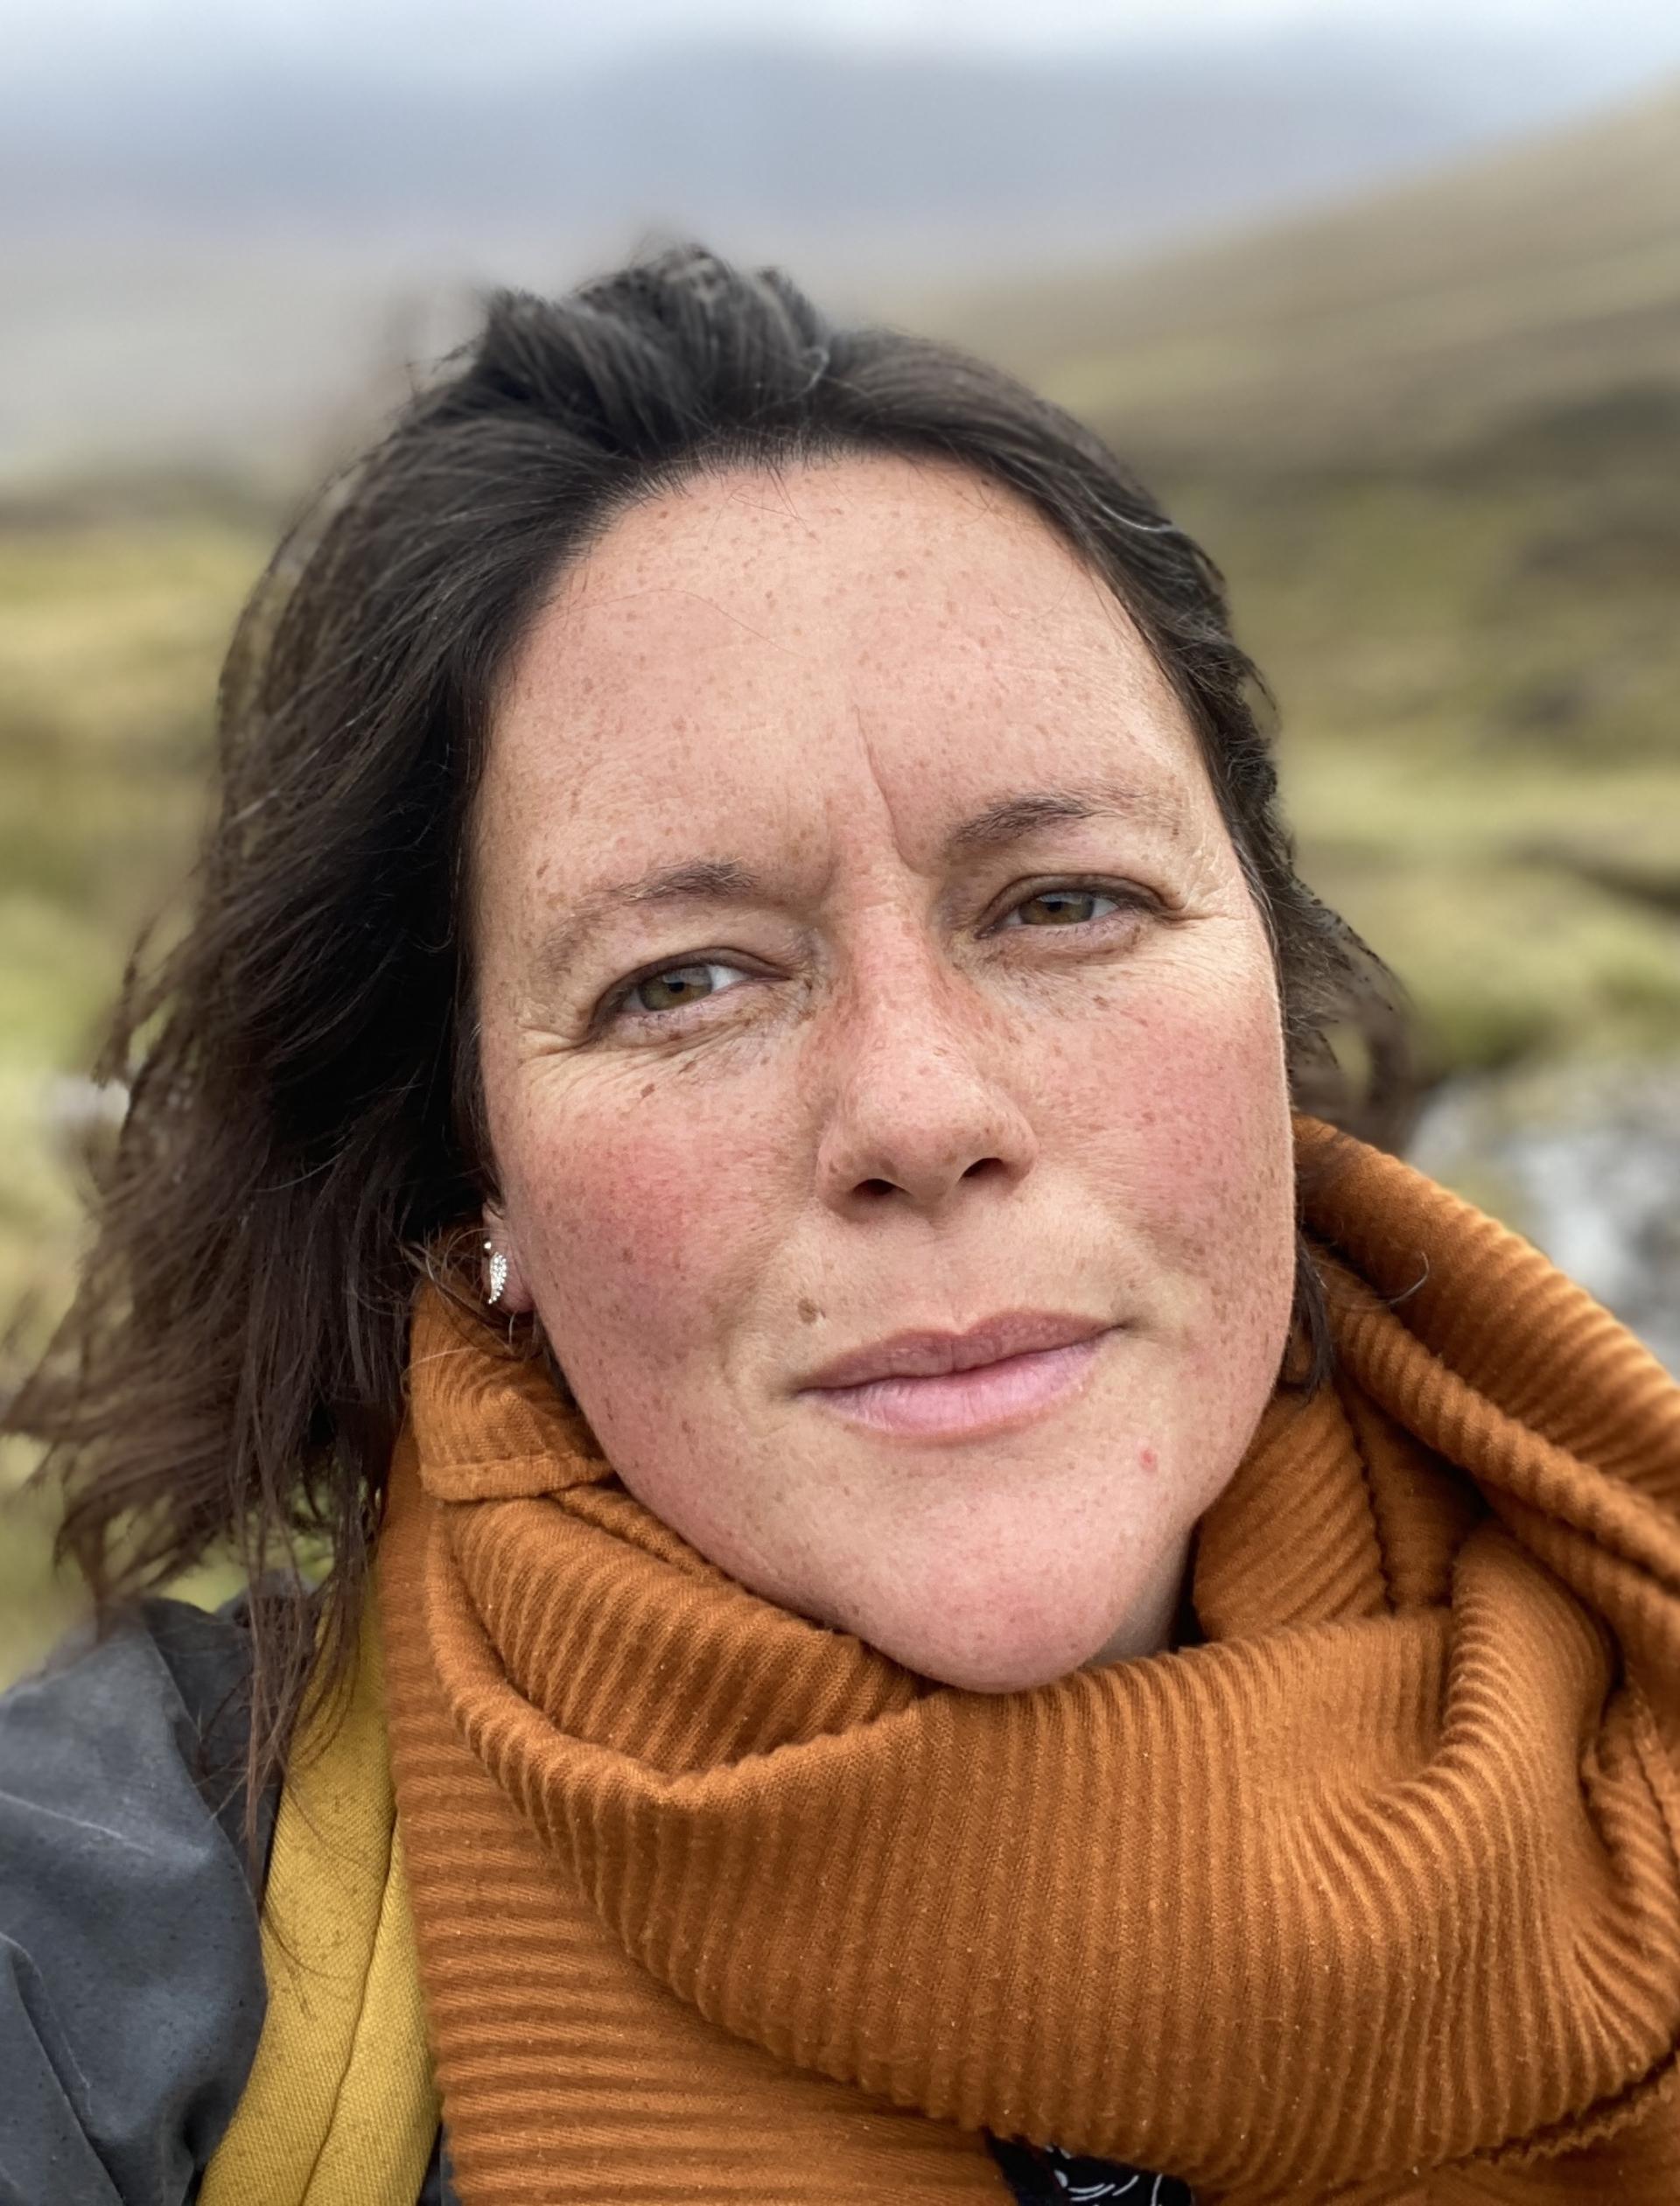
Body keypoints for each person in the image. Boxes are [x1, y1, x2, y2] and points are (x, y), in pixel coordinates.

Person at [3, 246, 1677, 2206]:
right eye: (686, 978)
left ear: (1272, 1002)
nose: (920, 1114)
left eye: (1065, 902)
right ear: (474, 1162)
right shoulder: (100, 1972)